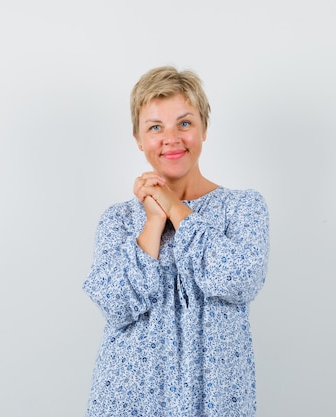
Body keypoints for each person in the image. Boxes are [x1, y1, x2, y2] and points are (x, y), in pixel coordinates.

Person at [82, 66, 270, 416]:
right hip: (130, 401)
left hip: (214, 400)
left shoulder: (243, 207)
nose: (171, 138)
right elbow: (115, 304)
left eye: (184, 123)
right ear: (139, 139)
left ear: (203, 129)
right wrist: (154, 220)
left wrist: (173, 206)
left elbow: (238, 279)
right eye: (155, 127)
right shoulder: (118, 220)